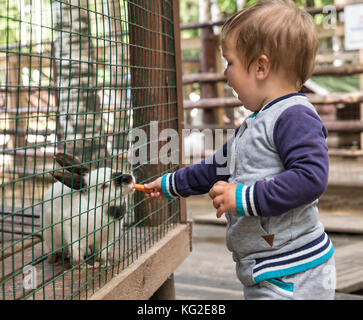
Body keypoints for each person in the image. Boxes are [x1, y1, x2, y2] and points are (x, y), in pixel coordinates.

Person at [144, 0, 335, 300]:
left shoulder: (294, 115)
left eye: (230, 62)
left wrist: (244, 197)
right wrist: (171, 184)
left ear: (260, 66)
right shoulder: (257, 122)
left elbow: (311, 178)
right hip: (268, 268)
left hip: (293, 271)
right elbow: (216, 167)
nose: (225, 73)